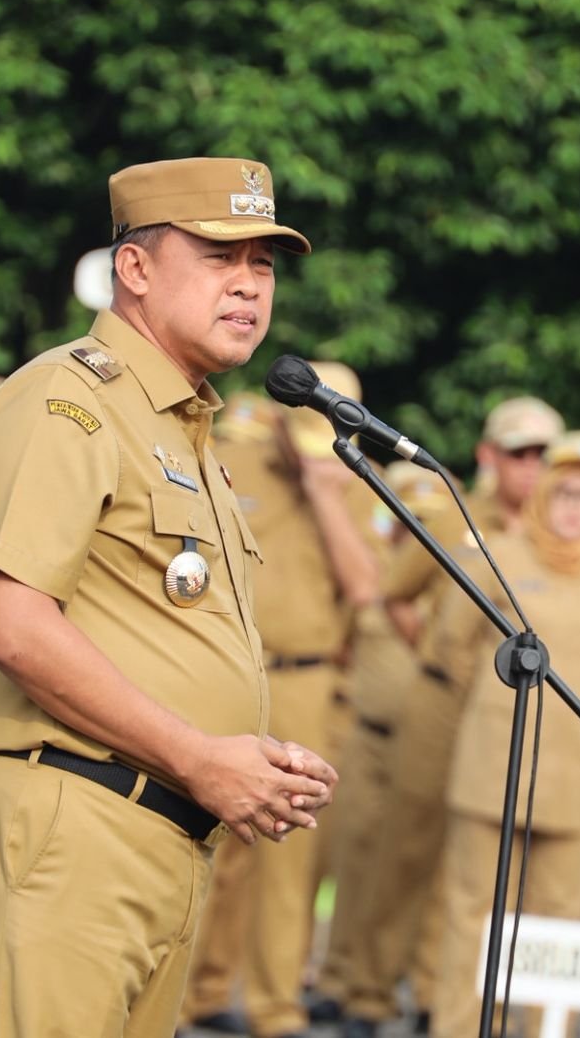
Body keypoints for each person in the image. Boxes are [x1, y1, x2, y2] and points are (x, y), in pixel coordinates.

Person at [0, 157, 338, 1038]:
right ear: (137, 269)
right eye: (219, 258)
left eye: (263, 265)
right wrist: (199, 755)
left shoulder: (184, 428)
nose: (248, 287)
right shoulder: (68, 401)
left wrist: (241, 754)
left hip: (159, 830)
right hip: (70, 820)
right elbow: (13, 625)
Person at [328, 396, 564, 1037]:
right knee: (407, 849)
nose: (532, 468)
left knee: (477, 865)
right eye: (519, 453)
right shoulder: (453, 515)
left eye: (544, 455)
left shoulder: (558, 534)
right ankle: (369, 991)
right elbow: (395, 594)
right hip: (445, 701)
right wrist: (432, 656)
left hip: (508, 710)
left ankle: (438, 993)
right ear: (489, 456)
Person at [179, 365, 381, 1038]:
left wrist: (326, 493)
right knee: (200, 840)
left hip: (304, 680)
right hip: (224, 670)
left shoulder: (353, 483)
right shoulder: (229, 459)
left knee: (288, 854)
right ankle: (191, 997)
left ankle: (275, 1008)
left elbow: (364, 587)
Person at [430, 430, 580, 1038]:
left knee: (558, 924)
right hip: (492, 763)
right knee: (474, 915)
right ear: (544, 494)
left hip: (579, 771)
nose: (576, 506)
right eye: (565, 492)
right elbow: (452, 648)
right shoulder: (494, 552)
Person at [314, 461, 451, 1033]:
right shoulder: (377, 573)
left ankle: (411, 987)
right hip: (367, 735)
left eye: (422, 520)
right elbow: (344, 640)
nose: (409, 528)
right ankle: (341, 978)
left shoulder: (455, 581)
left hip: (430, 744)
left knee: (418, 872)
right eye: (402, 516)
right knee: (355, 858)